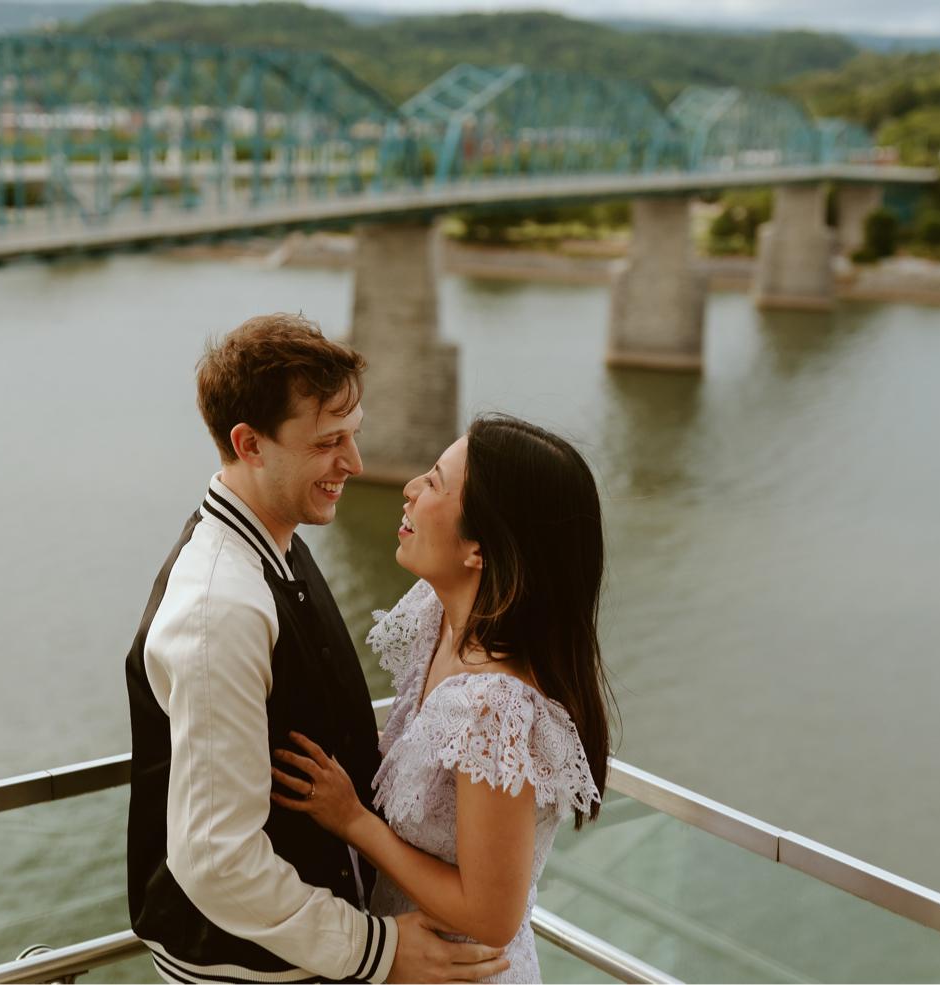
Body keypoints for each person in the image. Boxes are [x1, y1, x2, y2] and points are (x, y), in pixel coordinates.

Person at [124, 313, 512, 984]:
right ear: (249, 444)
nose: (355, 463)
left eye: (353, 434)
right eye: (329, 441)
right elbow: (216, 860)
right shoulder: (221, 609)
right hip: (249, 973)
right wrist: (377, 949)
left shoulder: (274, 544)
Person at [272, 414, 611, 984]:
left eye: (433, 482)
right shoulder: (439, 621)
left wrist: (352, 820)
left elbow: (492, 917)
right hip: (406, 959)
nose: (408, 489)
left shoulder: (494, 708)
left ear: (479, 548)